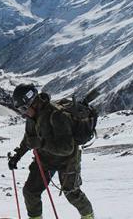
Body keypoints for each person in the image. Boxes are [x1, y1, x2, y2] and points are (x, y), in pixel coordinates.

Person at [8, 84, 94, 219]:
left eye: (24, 108)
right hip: (45, 160)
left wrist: (41, 144)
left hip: (68, 161)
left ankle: (88, 216)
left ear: (33, 102)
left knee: (72, 193)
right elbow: (28, 139)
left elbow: (67, 148)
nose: (23, 113)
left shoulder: (57, 115)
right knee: (30, 192)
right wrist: (17, 156)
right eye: (20, 110)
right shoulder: (32, 118)